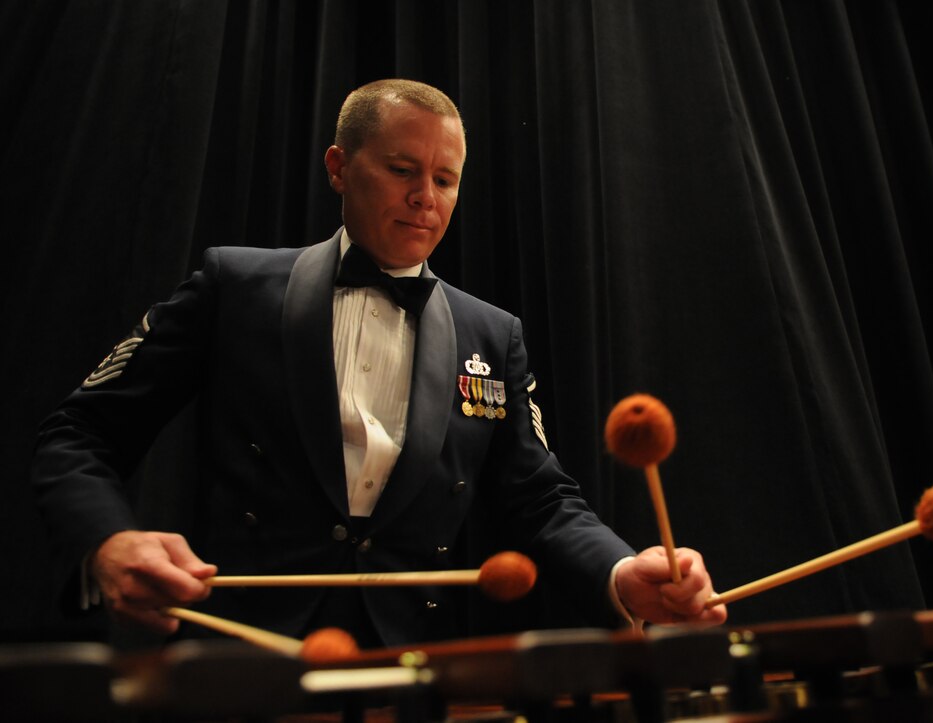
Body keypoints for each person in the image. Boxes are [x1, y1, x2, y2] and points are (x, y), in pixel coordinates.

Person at [31, 79, 726, 649]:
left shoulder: (492, 333)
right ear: (339, 166)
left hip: (413, 659)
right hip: (240, 650)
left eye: (446, 178)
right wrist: (109, 541)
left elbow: (541, 499)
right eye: (402, 170)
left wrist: (623, 568)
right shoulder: (233, 288)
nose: (426, 195)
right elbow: (77, 435)